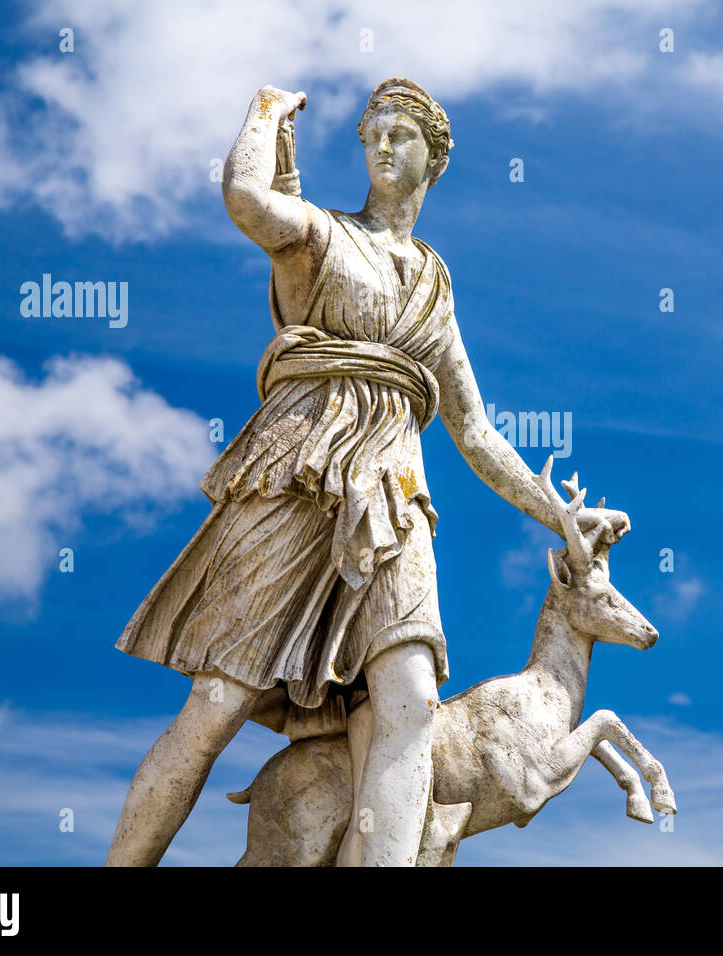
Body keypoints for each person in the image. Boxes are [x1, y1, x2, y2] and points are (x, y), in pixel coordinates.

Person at [104, 78, 629, 866]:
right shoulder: (318, 235)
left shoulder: (434, 285)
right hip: (298, 477)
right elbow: (247, 199)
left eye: (401, 135)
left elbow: (477, 433)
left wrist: (558, 518)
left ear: (434, 161)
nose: (382, 145)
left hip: (396, 499)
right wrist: (266, 113)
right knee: (217, 705)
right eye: (371, 133)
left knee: (412, 703)